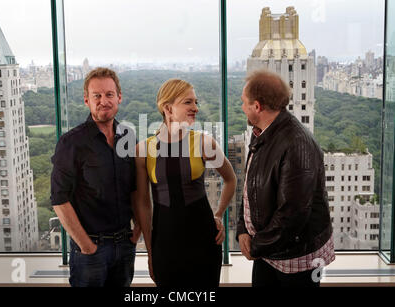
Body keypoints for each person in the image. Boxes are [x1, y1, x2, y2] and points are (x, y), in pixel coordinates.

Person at [236, 69, 335, 287]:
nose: (242, 108)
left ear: (257, 106)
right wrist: (243, 229)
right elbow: (249, 189)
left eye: (244, 102)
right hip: (269, 251)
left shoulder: (296, 145)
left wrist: (255, 245)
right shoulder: (262, 133)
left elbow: (293, 214)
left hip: (296, 259)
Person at [134, 78, 237, 287]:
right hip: (164, 245)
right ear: (168, 108)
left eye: (195, 102)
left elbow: (231, 179)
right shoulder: (143, 150)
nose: (196, 108)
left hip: (204, 241)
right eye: (188, 102)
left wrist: (218, 214)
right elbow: (143, 205)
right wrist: (150, 252)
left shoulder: (204, 143)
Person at [50, 67, 140, 287]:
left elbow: (136, 189)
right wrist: (87, 246)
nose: (103, 101)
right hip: (90, 250)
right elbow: (59, 199)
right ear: (86, 100)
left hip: (125, 245)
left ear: (119, 97)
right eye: (96, 96)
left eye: (109, 94)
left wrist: (136, 233)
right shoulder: (71, 142)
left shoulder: (128, 137)